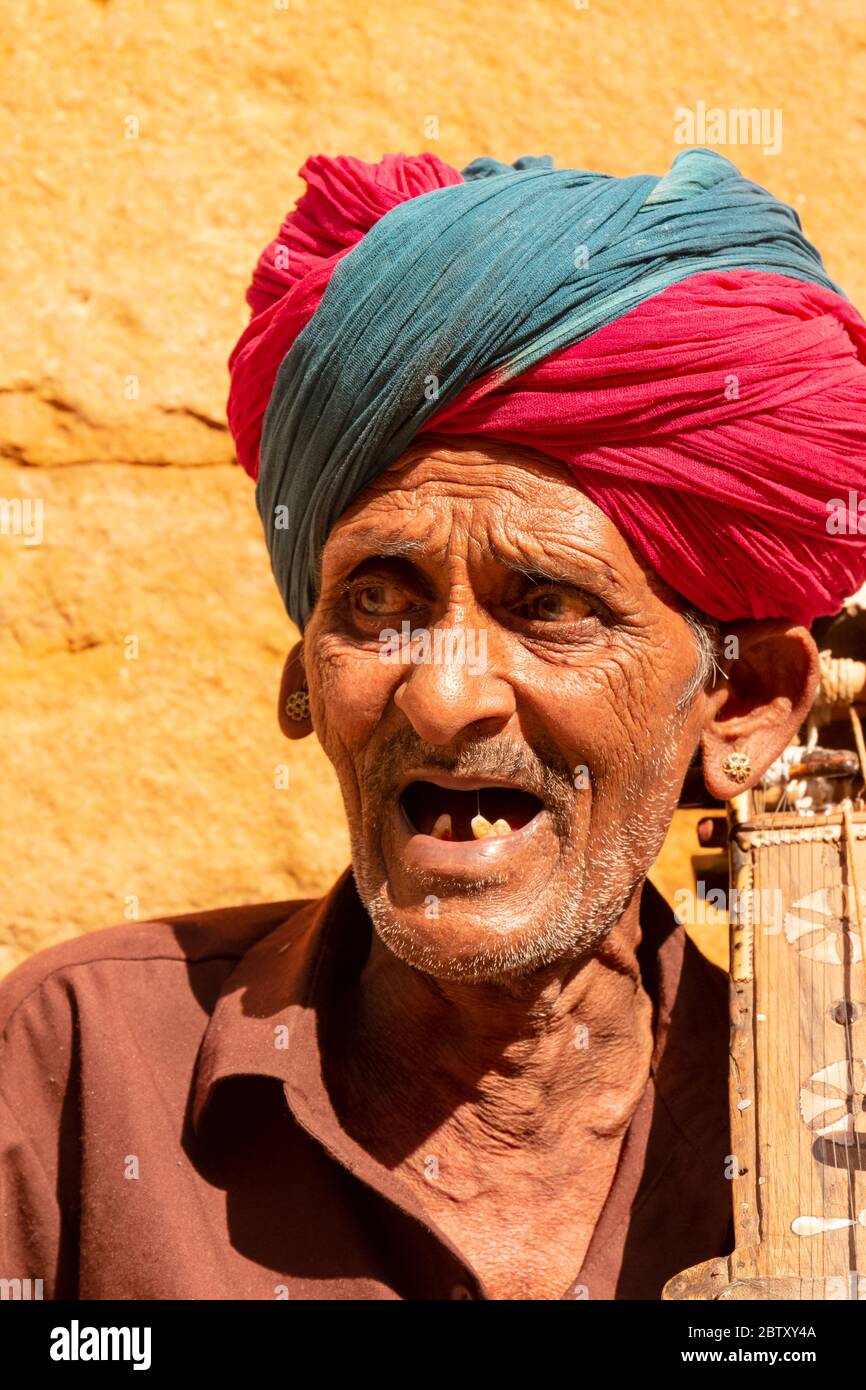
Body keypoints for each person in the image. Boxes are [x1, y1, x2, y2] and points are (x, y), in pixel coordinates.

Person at [2, 149, 865, 1301]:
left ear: (744, 701)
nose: (445, 695)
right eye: (377, 601)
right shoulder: (77, 1064)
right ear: (306, 677)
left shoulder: (829, 1141)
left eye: (549, 606)